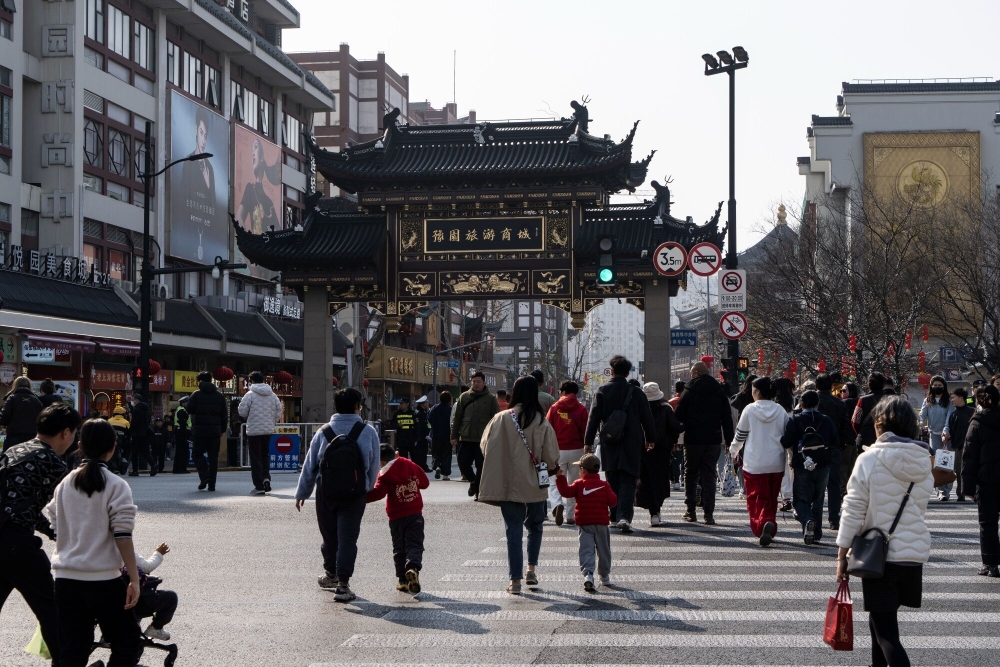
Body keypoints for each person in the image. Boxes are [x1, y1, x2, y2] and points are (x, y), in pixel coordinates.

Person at [837, 395, 933, 667]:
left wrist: (841, 554)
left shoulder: (869, 459)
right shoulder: (923, 462)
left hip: (881, 557)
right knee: (881, 621)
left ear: (880, 425)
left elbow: (853, 509)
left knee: (887, 633)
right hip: (912, 555)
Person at [45, 418, 141, 667]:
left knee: (74, 649)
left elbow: (54, 525)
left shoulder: (64, 484)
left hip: (65, 580)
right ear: (113, 448)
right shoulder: (116, 485)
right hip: (103, 581)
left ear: (79, 445)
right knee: (127, 642)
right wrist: (133, 578)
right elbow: (122, 535)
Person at [0, 403, 81, 664]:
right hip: (17, 546)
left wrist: (51, 532)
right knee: (52, 610)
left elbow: (23, 506)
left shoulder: (14, 451)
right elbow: (69, 511)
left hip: (4, 538)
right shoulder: (52, 463)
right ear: (66, 433)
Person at [294, 388, 380, 603]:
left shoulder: (324, 431)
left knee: (330, 536)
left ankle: (330, 574)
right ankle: (343, 585)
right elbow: (373, 465)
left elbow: (310, 465)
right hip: (355, 493)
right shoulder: (367, 431)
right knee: (348, 538)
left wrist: (302, 491)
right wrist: (366, 488)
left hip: (326, 492)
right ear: (356, 406)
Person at [478, 376, 559, 594]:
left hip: (507, 483)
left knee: (513, 530)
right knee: (535, 526)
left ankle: (515, 581)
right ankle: (531, 570)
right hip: (534, 483)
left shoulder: (501, 418)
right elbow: (551, 457)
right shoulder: (542, 421)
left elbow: (485, 447)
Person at [584, 355, 656, 532]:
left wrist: (588, 442)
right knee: (629, 478)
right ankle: (624, 516)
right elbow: (647, 418)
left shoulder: (601, 391)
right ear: (627, 372)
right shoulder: (637, 392)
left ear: (612, 370)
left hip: (610, 440)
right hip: (632, 440)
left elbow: (593, 419)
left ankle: (615, 514)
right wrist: (650, 439)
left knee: (612, 477)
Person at [730, 377, 790, 546]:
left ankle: (763, 523)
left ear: (756, 392)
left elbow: (740, 434)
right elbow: (787, 434)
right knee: (771, 496)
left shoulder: (749, 410)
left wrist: (734, 450)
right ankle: (769, 522)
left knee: (756, 497)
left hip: (754, 461)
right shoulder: (780, 410)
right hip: (776, 461)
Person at [674, 361, 735, 525]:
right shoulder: (718, 390)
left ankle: (691, 511)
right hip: (713, 439)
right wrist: (729, 440)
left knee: (690, 473)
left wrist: (674, 437)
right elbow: (726, 417)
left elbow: (678, 415)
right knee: (709, 475)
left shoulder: (689, 389)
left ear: (695, 373)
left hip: (693, 439)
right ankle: (709, 513)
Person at [366, 444, 429, 593]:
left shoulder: (385, 475)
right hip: (415, 513)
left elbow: (379, 493)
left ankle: (402, 580)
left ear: (380, 462)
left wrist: (360, 499)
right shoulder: (410, 465)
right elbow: (425, 483)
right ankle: (412, 568)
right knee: (414, 544)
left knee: (399, 547)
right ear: (394, 455)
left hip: (396, 516)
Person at [781, 390, 838, 544]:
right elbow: (835, 440)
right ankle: (816, 533)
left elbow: (786, 442)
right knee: (818, 499)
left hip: (803, 464)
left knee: (800, 499)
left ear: (802, 404)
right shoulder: (826, 420)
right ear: (817, 403)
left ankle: (807, 521)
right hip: (823, 465)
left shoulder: (796, 420)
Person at [555, 453, 617, 592]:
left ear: (583, 470)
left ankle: (588, 574)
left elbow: (565, 492)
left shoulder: (579, 484)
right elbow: (613, 502)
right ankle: (604, 575)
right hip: (601, 523)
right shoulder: (604, 485)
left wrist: (560, 477)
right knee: (604, 550)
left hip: (585, 523)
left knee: (586, 549)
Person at [961, 384, 1000, 577]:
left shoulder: (977, 423)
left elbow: (970, 457)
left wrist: (967, 487)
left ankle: (990, 564)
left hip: (987, 480)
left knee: (988, 523)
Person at [546, 380, 589, 526]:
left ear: (563, 392)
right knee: (574, 483)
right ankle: (570, 516)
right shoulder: (581, 409)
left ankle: (557, 503)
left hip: (558, 449)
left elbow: (548, 430)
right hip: (577, 449)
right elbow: (585, 431)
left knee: (555, 480)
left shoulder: (554, 408)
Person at [637, 382, 680, 526]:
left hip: (642, 450)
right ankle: (656, 509)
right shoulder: (666, 409)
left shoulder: (638, 409)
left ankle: (652, 510)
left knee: (646, 480)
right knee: (660, 480)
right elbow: (675, 427)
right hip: (662, 450)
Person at [450, 372, 500, 498]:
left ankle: (478, 491)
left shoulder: (491, 399)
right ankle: (473, 481)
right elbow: (457, 418)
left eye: (478, 381)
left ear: (484, 383)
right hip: (466, 437)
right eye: (474, 381)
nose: (476, 384)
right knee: (462, 462)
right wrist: (454, 435)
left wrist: (494, 438)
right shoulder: (464, 397)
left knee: (481, 466)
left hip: (483, 439)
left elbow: (495, 420)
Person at [815, 373, 854, 530]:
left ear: (816, 386)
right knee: (834, 484)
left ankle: (814, 518)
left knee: (815, 484)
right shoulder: (839, 403)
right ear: (831, 386)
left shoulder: (811, 400)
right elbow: (845, 426)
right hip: (833, 447)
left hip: (813, 448)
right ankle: (834, 518)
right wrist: (841, 443)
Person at [238, 371, 283, 496]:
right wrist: (272, 422)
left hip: (254, 431)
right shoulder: (273, 395)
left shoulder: (250, 395)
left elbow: (242, 412)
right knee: (265, 455)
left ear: (251, 381)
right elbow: (279, 410)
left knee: (255, 458)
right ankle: (266, 478)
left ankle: (258, 486)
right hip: (268, 430)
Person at [186, 372, 228, 492]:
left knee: (197, 454)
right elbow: (224, 415)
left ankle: (205, 476)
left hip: (199, 431)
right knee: (213, 457)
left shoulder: (196, 394)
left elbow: (190, 409)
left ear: (200, 381)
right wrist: (222, 430)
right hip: (215, 432)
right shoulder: (219, 396)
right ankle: (212, 485)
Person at [131, 542, 178, 641]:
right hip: (130, 600)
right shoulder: (121, 545)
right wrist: (158, 553)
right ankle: (156, 628)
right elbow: (146, 567)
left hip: (102, 598)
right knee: (171, 597)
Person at [920, 375, 957, 501]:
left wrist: (945, 432)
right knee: (937, 463)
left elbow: (949, 417)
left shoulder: (948, 401)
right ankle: (941, 491)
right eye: (934, 385)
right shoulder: (928, 400)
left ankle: (947, 490)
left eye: (939, 385)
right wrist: (919, 425)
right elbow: (922, 415)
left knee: (947, 463)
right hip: (933, 435)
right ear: (931, 386)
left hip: (947, 436)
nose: (937, 387)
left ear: (944, 386)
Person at [235, 137, 280, 235]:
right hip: (254, 247)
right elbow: (239, 218)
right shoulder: (250, 189)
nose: (252, 153)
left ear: (262, 157)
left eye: (255, 147)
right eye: (251, 150)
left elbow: (279, 232)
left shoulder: (269, 202)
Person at [850, 372, 887, 487]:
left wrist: (860, 433)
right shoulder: (891, 399)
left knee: (865, 468)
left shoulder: (862, 400)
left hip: (865, 439)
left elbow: (855, 421)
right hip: (886, 439)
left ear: (869, 385)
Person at [180, 106, 216, 206]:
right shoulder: (188, 162)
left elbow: (214, 205)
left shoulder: (210, 168)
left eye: (205, 135)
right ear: (196, 129)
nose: (203, 141)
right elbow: (183, 200)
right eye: (201, 133)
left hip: (207, 220)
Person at [1, 376, 43, 449]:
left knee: (11, 458)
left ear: (15, 385)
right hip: (32, 436)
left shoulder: (12, 397)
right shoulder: (36, 399)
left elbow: (4, 417)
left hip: (14, 436)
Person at [948, 387, 974, 502]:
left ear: (961, 398)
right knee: (958, 470)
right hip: (957, 446)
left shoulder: (972, 412)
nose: (952, 400)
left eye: (953, 398)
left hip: (971, 446)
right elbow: (951, 431)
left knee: (971, 469)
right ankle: (960, 493)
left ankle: (973, 492)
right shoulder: (953, 414)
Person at [773, 378, 796, 512]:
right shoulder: (794, 402)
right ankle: (788, 496)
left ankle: (783, 496)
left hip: (778, 438)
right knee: (790, 467)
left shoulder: (774, 404)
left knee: (781, 468)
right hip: (792, 436)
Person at [428, 392, 454, 480]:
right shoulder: (450, 409)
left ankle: (437, 466)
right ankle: (445, 474)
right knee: (446, 454)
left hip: (436, 435)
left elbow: (429, 418)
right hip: (447, 435)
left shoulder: (434, 408)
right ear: (449, 400)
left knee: (436, 452)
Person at [128, 394, 155, 477]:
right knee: (146, 452)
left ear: (137, 400)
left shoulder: (136, 410)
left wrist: (129, 433)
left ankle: (135, 471)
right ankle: (154, 465)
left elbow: (134, 423)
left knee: (134, 453)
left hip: (137, 434)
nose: (133, 401)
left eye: (134, 400)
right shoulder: (146, 409)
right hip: (145, 433)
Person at [668, 381, 685, 491]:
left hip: (675, 433)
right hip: (687, 433)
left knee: (676, 458)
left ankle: (676, 480)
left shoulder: (671, 403)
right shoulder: (688, 402)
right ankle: (684, 478)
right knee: (686, 458)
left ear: (675, 389)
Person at [392, 397, 418, 462]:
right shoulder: (397, 413)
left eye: (402, 403)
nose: (400, 405)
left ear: (407, 404)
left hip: (411, 438)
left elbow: (417, 426)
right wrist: (398, 425)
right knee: (403, 458)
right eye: (400, 403)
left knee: (414, 457)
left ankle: (414, 470)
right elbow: (392, 423)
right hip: (401, 439)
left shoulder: (412, 413)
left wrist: (417, 438)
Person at [172, 397, 191, 475]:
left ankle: (176, 468)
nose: (188, 404)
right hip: (182, 432)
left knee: (179, 451)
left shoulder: (180, 410)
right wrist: (186, 435)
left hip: (179, 432)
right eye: (186, 402)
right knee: (182, 451)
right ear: (183, 403)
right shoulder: (182, 411)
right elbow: (183, 424)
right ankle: (182, 468)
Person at [413, 396, 432, 472]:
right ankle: (423, 467)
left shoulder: (421, 412)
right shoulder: (421, 414)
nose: (428, 404)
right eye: (426, 402)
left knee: (421, 453)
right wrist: (426, 435)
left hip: (421, 436)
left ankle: (422, 466)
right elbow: (422, 426)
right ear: (423, 404)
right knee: (422, 453)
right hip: (422, 437)